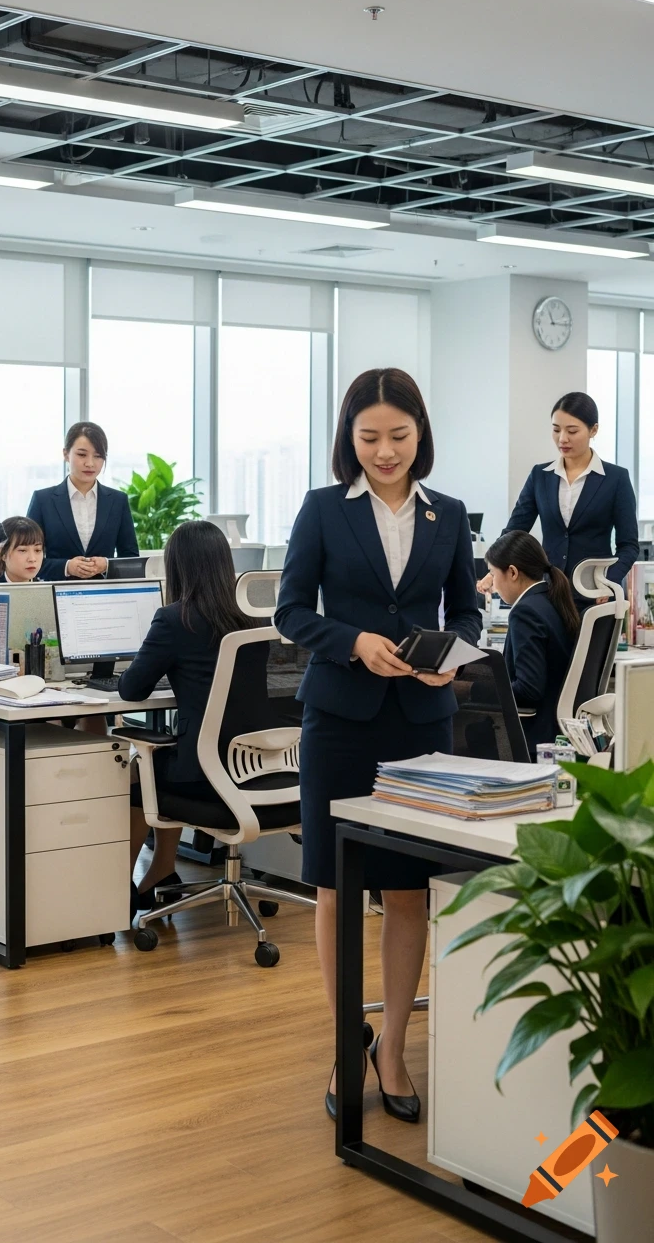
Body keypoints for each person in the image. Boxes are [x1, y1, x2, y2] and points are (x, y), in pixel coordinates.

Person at [275, 367, 481, 1124]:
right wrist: (351, 640)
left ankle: (391, 1046)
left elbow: (467, 610)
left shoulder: (449, 515)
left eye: (398, 436)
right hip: (339, 720)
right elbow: (291, 611)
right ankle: (344, 1042)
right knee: (335, 886)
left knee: (404, 890)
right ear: (349, 439)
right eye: (369, 437)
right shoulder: (323, 510)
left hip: (421, 722)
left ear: (420, 434)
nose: (385, 451)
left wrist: (447, 652)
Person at [118, 520, 260, 913]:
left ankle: (120, 884)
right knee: (166, 757)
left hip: (206, 777)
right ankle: (162, 870)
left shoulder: (173, 619)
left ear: (176, 568)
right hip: (260, 773)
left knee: (138, 769)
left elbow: (131, 690)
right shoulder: (253, 618)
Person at [478, 392, 638, 604]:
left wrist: (610, 582)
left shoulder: (615, 479)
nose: (562, 438)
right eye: (556, 430)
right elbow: (514, 531)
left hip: (596, 594)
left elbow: (629, 545)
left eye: (572, 431)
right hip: (549, 592)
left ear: (594, 430)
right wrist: (494, 570)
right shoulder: (540, 476)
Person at [485, 530, 579, 756]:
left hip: (534, 734)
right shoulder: (550, 599)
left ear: (513, 572)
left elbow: (529, 689)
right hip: (556, 729)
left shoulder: (525, 612)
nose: (494, 586)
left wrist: (477, 689)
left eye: (493, 574)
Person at [27, 421, 138, 581]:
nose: (90, 463)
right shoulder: (43, 500)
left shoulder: (117, 501)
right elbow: (27, 561)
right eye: (82, 454)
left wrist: (106, 565)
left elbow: (131, 560)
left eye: (98, 456)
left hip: (105, 596)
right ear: (66, 454)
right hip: (56, 596)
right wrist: (67, 567)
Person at [0, 516, 45, 583]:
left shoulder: (49, 590)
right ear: (2, 553)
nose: (32, 559)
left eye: (37, 550)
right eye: (22, 550)